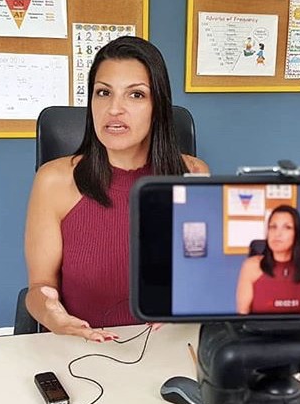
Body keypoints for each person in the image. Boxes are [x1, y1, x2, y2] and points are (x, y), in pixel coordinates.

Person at [24, 36, 209, 342]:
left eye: (135, 95)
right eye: (103, 92)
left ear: (157, 106)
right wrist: (52, 316)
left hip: (166, 348)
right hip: (82, 349)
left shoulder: (193, 174)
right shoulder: (53, 181)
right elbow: (38, 288)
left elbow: (198, 274)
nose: (114, 109)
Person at [235, 205, 300, 314]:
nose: (277, 234)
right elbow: (242, 318)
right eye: (273, 227)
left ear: (296, 234)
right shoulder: (251, 266)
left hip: (299, 330)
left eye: (287, 227)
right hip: (260, 330)